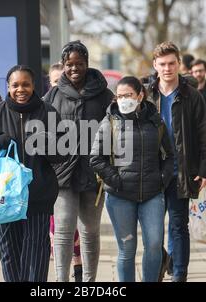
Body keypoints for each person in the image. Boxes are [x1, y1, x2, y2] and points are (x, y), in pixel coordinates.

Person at [0, 65, 66, 282]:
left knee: (37, 252)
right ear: (8, 87)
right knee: (9, 252)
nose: (21, 89)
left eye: (26, 84)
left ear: (33, 86)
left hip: (38, 196)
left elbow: (63, 153)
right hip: (4, 198)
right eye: (15, 85)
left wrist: (46, 144)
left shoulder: (48, 112)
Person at [90, 76, 174, 282]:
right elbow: (95, 157)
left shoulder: (156, 121)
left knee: (154, 245)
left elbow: (169, 155)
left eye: (128, 95)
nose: (124, 99)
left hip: (152, 194)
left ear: (140, 95)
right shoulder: (110, 122)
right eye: (119, 96)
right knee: (127, 249)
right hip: (120, 196)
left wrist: (163, 178)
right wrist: (116, 180)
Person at [44, 40, 114, 282]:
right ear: (63, 66)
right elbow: (42, 131)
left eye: (79, 64)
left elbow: (117, 132)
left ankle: (89, 282)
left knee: (90, 232)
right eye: (69, 64)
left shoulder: (105, 95)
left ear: (87, 64)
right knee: (63, 230)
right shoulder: (52, 95)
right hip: (62, 175)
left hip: (94, 174)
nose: (74, 68)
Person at [151, 41, 206, 282]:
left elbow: (203, 133)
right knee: (153, 231)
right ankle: (160, 263)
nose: (167, 68)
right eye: (162, 64)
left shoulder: (191, 95)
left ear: (179, 64)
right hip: (153, 173)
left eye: (171, 63)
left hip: (182, 172)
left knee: (178, 226)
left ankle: (179, 275)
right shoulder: (148, 94)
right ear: (155, 65)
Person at [46, 61, 83, 282]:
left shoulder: (77, 105)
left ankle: (77, 264)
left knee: (71, 226)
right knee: (56, 226)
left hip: (74, 175)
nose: (59, 84)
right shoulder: (44, 104)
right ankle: (66, 269)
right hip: (51, 176)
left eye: (63, 80)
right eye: (54, 81)